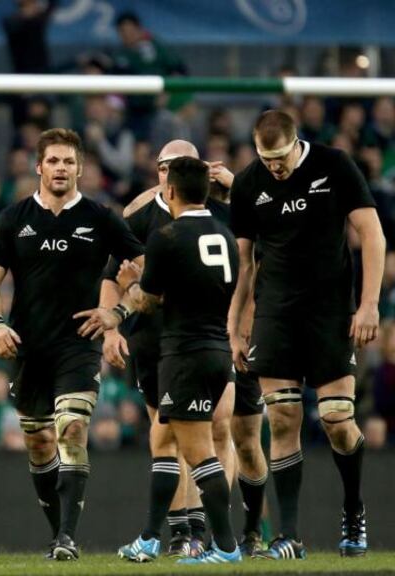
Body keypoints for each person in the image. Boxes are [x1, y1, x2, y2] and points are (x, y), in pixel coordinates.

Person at [0, 128, 144, 561]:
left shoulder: (101, 217)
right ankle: (59, 534)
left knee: (71, 428)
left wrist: (117, 314)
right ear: (38, 166)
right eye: (53, 161)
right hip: (26, 346)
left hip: (79, 343)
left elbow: (147, 270)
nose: (61, 168)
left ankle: (68, 536)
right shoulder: (14, 218)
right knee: (38, 442)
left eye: (69, 162)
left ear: (81, 169)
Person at [228, 110, 384, 559]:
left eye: (280, 158)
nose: (274, 167)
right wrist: (234, 327)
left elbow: (371, 232)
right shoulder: (248, 184)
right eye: (265, 158)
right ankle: (289, 534)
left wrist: (369, 303)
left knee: (337, 419)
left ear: (296, 143)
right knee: (281, 419)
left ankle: (353, 510)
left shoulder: (334, 165)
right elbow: (244, 263)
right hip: (275, 312)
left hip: (330, 310)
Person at [102, 140, 266, 561]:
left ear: (170, 190)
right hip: (217, 348)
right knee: (165, 438)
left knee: (195, 449)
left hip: (181, 351)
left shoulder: (167, 236)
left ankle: (224, 544)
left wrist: (130, 284)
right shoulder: (228, 237)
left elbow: (150, 300)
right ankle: (149, 537)